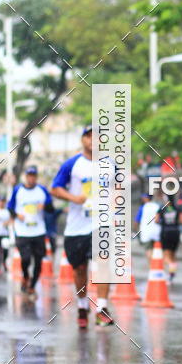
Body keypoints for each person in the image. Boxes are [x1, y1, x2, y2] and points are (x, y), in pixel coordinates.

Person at [50, 125, 114, 329]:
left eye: (97, 136)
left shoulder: (111, 165)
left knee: (103, 262)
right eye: (89, 136)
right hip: (76, 227)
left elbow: (118, 189)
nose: (93, 140)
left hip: (101, 224)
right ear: (83, 140)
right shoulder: (72, 165)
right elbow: (55, 189)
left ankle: (102, 308)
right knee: (79, 270)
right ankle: (82, 305)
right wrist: (73, 198)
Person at [7, 165, 53, 297]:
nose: (31, 178)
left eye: (34, 175)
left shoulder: (42, 190)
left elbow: (51, 209)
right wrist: (17, 215)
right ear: (26, 177)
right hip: (22, 231)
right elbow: (10, 208)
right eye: (29, 175)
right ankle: (26, 276)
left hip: (38, 231)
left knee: (39, 260)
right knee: (25, 258)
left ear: (36, 177)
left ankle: (32, 286)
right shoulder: (18, 190)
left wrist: (44, 206)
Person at [155, 193, 182, 281]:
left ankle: (169, 270)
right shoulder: (178, 208)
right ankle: (172, 273)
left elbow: (156, 220)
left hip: (165, 233)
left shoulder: (162, 209)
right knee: (173, 254)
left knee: (166, 255)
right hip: (175, 232)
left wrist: (163, 222)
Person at [0, 196, 11, 274]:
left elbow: (11, 219)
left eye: (3, 201)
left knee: (6, 250)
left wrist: (7, 223)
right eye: (0, 201)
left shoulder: (7, 211)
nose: (1, 203)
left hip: (5, 233)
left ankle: (4, 262)